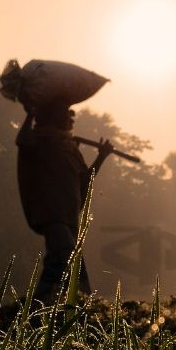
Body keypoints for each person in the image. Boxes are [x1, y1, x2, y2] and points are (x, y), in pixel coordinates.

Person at [16, 104, 114, 301]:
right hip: (51, 212)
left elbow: (85, 179)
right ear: (55, 117)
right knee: (68, 254)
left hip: (69, 214)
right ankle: (68, 302)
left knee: (65, 261)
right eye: (66, 114)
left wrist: (101, 156)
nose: (72, 118)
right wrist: (30, 115)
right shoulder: (41, 141)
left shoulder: (69, 147)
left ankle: (53, 302)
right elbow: (23, 141)